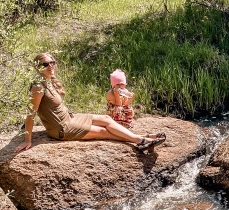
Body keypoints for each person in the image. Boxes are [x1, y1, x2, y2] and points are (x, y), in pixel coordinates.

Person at [15, 53, 165, 153]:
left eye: (52, 63)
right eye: (45, 64)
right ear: (37, 67)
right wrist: (27, 140)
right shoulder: (38, 87)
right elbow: (31, 114)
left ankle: (140, 137)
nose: (50, 66)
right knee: (103, 132)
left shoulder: (47, 81)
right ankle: (141, 140)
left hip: (70, 118)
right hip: (62, 129)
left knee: (106, 119)